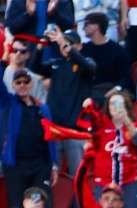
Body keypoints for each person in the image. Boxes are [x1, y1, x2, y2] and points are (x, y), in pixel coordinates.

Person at [31, 27, 97, 177]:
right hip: (55, 129)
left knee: (78, 176)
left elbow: (87, 66)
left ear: (79, 46)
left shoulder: (86, 63)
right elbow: (35, 67)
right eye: (63, 43)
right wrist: (40, 47)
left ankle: (79, 202)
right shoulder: (57, 64)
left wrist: (64, 43)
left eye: (70, 43)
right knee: (53, 175)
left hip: (75, 130)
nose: (64, 46)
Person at [0, 62, 58, 208]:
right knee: (16, 205)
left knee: (40, 205)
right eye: (18, 82)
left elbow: (51, 138)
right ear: (13, 85)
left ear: (31, 84)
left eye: (26, 82)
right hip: (16, 165)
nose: (22, 85)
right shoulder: (8, 103)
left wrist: (53, 164)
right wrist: (3, 63)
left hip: (40, 165)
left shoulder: (43, 108)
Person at [77, 90, 137, 208]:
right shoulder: (101, 126)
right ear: (107, 107)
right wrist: (87, 107)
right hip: (104, 182)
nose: (115, 107)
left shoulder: (134, 126)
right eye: (112, 103)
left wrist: (126, 120)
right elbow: (88, 142)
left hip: (129, 182)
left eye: (120, 103)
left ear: (126, 106)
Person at [81, 12, 132, 91]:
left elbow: (126, 77)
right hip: (88, 93)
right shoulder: (84, 49)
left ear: (96, 26)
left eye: (86, 24)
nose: (83, 28)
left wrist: (116, 89)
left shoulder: (117, 50)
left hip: (111, 92)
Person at [5, 0, 75, 39]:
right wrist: (28, 15)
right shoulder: (19, 1)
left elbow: (70, 25)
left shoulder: (62, 1)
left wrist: (55, 14)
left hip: (56, 54)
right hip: (28, 56)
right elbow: (12, 28)